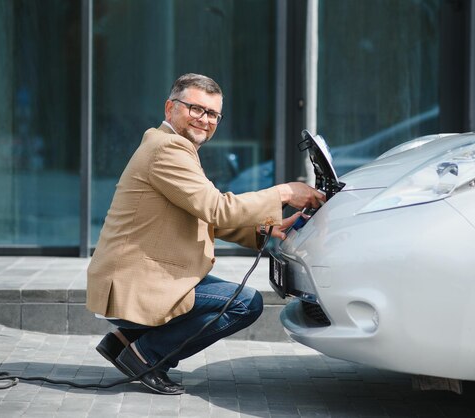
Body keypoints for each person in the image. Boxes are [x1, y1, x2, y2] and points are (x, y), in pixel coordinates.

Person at [86, 73, 325, 395]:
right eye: (195, 109)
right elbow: (216, 208)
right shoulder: (168, 149)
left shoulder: (168, 144)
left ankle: (124, 342)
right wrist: (284, 192)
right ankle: (146, 354)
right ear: (170, 107)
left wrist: (266, 228)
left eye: (212, 114)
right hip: (135, 282)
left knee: (227, 295)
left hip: (140, 274)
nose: (204, 119)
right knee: (245, 303)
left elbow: (204, 214)